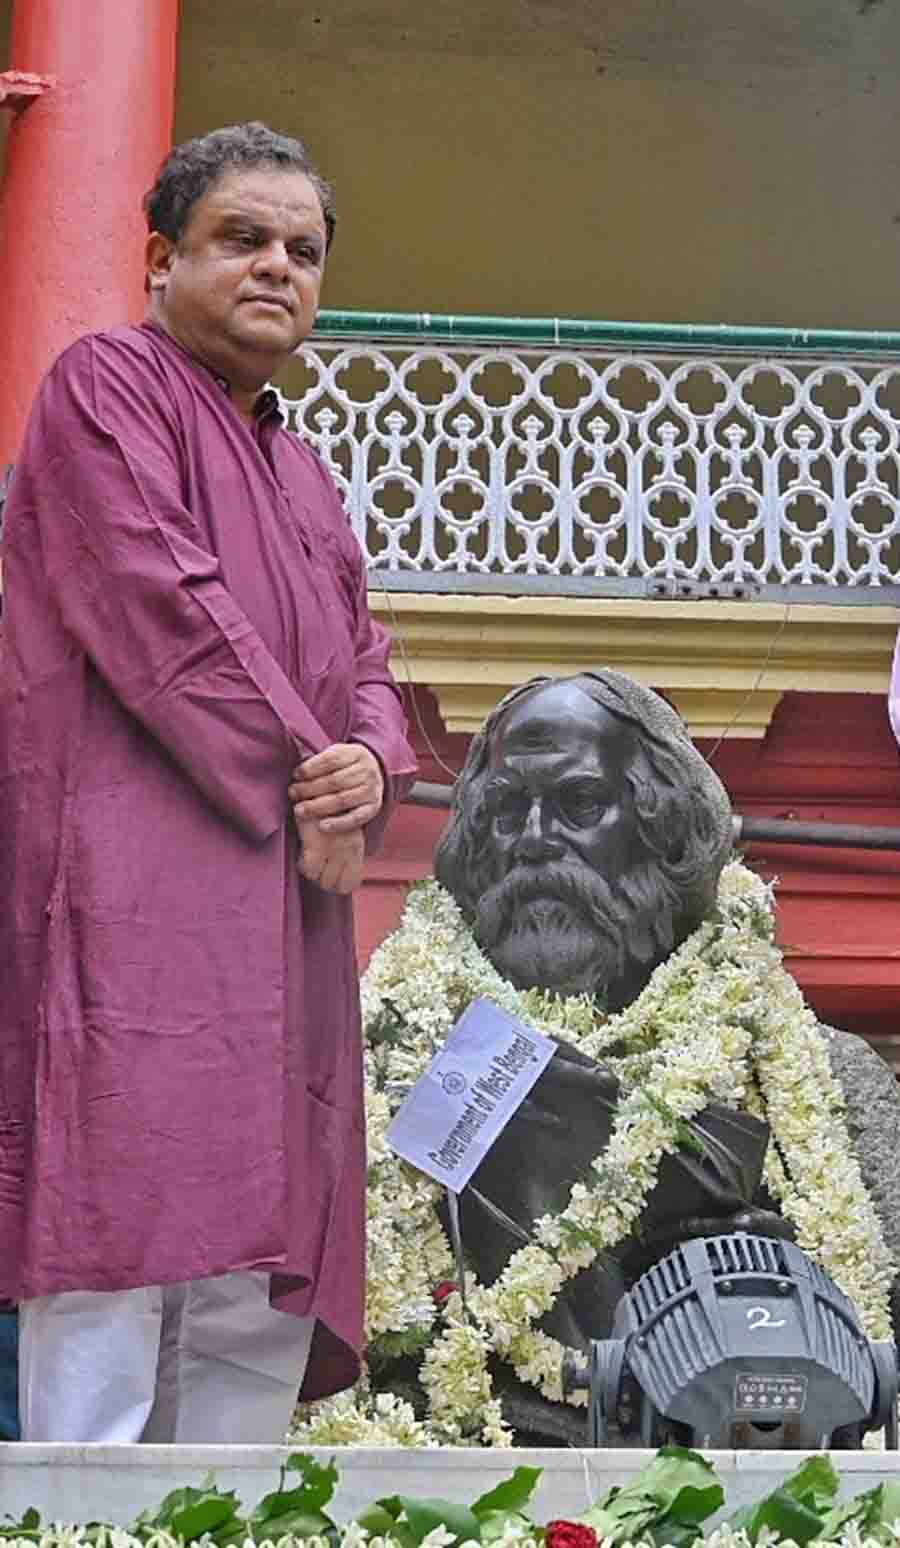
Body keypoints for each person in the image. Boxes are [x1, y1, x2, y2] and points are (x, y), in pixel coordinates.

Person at [0, 122, 416, 1444]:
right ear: (159, 258)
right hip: (137, 889)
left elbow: (369, 661)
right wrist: (318, 785)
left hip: (286, 908)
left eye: (303, 250)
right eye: (242, 239)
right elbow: (164, 614)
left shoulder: (302, 471)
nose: (277, 268)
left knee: (254, 1271)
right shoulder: (106, 388)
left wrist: (370, 769)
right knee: (123, 1230)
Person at [354, 671, 900, 1445]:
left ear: (663, 830)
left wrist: (773, 1278)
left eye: (579, 805)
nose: (535, 838)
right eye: (507, 811)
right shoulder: (391, 1061)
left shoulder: (829, 1080)